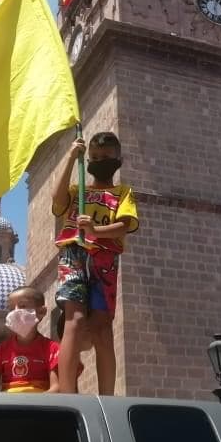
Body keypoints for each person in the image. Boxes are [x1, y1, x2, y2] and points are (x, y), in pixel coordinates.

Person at [53, 131, 139, 395]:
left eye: (106, 156)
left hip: (105, 259)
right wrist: (70, 157)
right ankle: (67, 392)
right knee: (74, 320)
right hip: (73, 254)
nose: (101, 160)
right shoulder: (76, 190)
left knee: (103, 328)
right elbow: (56, 201)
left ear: (118, 159)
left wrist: (96, 231)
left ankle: (107, 397)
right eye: (95, 157)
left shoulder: (123, 192)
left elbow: (125, 225)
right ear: (88, 160)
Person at [0, 287, 64, 393]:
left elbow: (56, 388)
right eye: (11, 308)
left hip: (39, 405)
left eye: (23, 306)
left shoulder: (53, 349)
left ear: (41, 312)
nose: (16, 312)